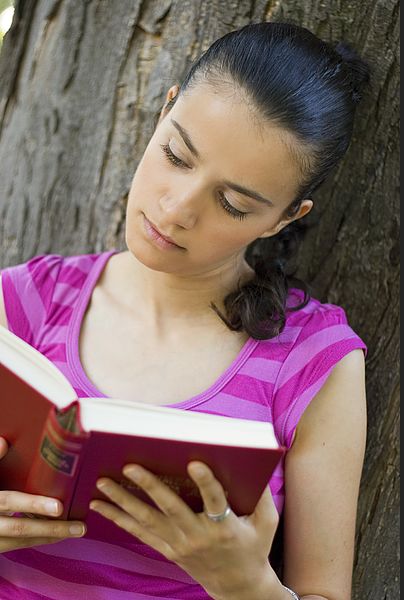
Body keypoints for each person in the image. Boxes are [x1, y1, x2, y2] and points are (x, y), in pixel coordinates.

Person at [0, 21, 370, 600]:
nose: (176, 210)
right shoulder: (25, 304)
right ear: (164, 110)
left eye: (232, 203)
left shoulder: (315, 360)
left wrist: (245, 584)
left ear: (284, 218)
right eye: (176, 154)